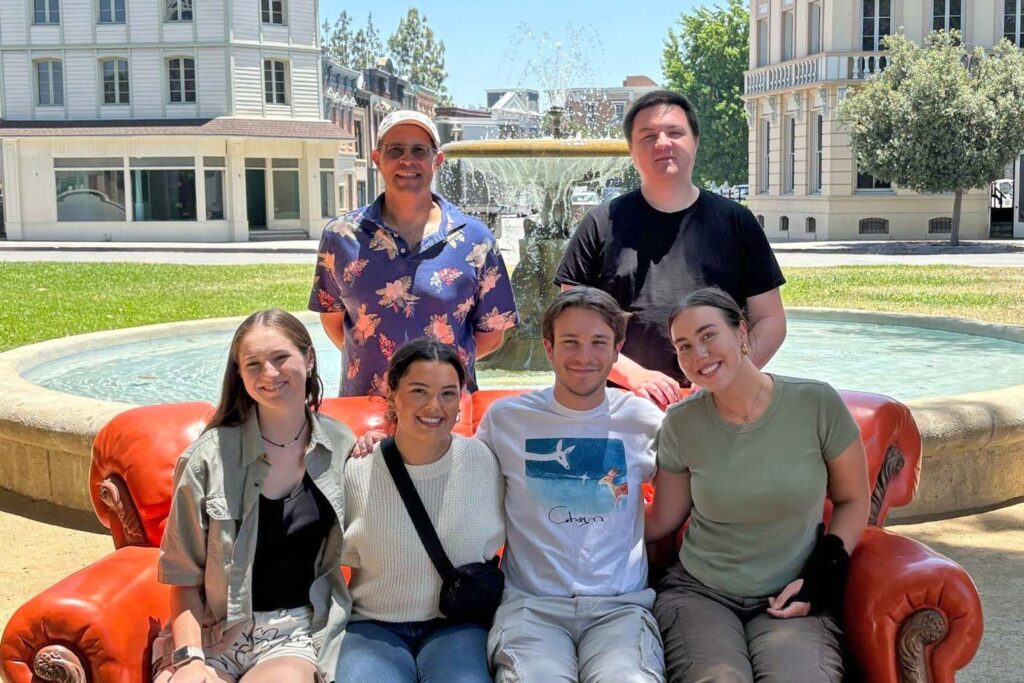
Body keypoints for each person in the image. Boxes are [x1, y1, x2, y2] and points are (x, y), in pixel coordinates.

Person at [645, 287, 871, 683]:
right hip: (700, 593)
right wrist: (585, 512)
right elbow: (662, 519)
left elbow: (853, 499)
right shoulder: (681, 423)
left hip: (790, 593)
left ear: (743, 334)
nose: (698, 354)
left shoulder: (816, 405)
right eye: (683, 346)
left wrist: (822, 575)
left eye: (708, 335)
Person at [154, 309, 355, 682]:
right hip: (210, 633)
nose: (270, 374)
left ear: (309, 359)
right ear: (240, 374)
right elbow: (183, 577)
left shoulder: (342, 446)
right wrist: (190, 660)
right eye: (254, 364)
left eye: (281, 358)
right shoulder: (206, 459)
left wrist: (379, 447)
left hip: (291, 633)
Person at [476, 287, 666, 682]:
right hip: (531, 608)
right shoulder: (506, 420)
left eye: (598, 342)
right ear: (548, 348)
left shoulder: (645, 421)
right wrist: (380, 443)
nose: (584, 356)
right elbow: (455, 473)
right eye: (570, 342)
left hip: (621, 608)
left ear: (618, 350)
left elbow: (697, 482)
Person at [554, 90, 787, 408]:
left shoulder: (737, 223)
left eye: (675, 133)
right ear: (631, 150)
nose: (662, 143)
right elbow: (565, 324)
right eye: (648, 136)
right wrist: (635, 377)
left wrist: (725, 376)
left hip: (719, 405)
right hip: (617, 404)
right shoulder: (599, 223)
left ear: (695, 141)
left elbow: (770, 320)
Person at [308, 109, 518, 397]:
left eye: (419, 150)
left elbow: (492, 334)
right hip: (367, 409)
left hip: (446, 412)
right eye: (395, 150)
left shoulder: (476, 240)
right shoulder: (341, 237)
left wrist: (435, 373)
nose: (407, 160)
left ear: (437, 161)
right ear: (377, 160)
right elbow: (333, 320)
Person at [335, 338, 504, 683]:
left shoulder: (485, 462)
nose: (434, 406)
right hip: (372, 627)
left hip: (458, 625)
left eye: (447, 393)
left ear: (461, 399)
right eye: (418, 391)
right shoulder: (356, 468)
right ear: (392, 393)